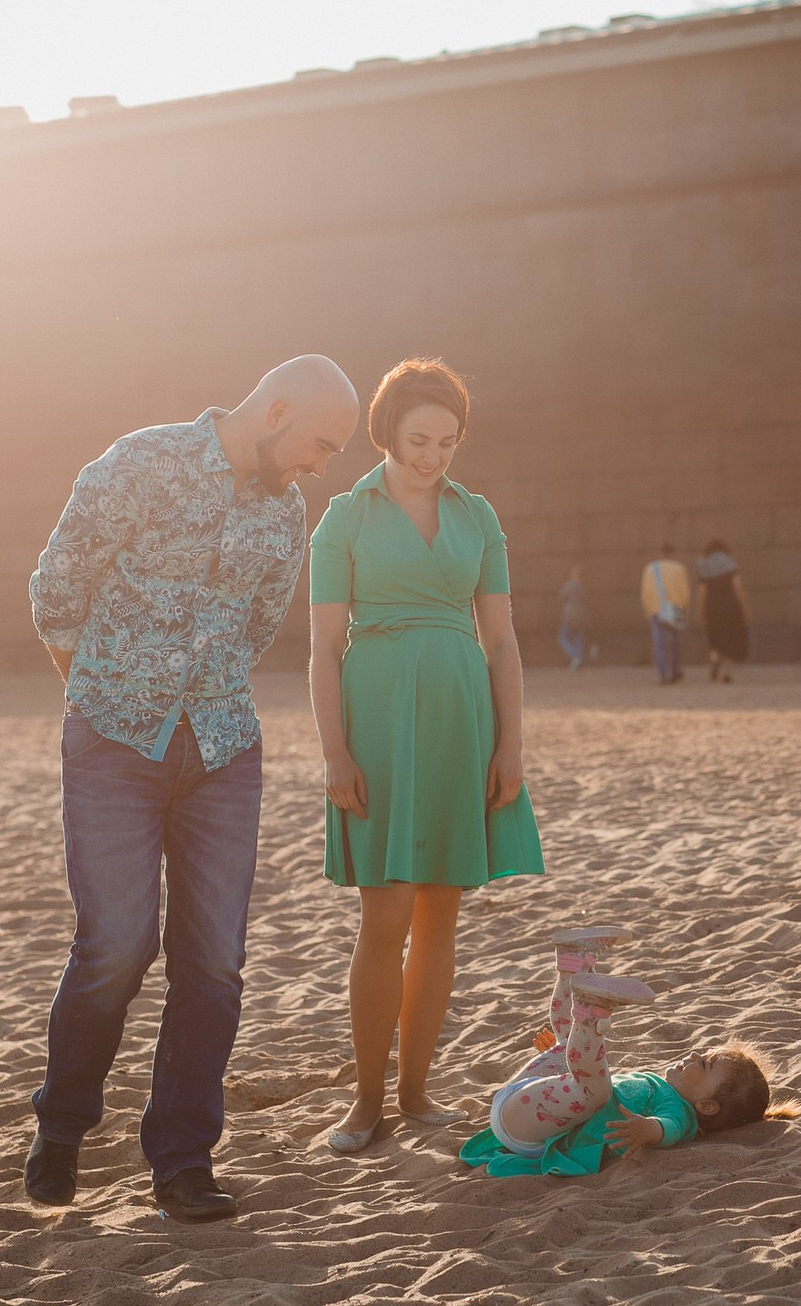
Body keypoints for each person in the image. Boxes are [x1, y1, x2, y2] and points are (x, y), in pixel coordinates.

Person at [23, 354, 360, 1221]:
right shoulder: (141, 463)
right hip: (112, 741)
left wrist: (191, 702)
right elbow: (56, 589)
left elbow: (257, 628)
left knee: (214, 962)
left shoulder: (286, 511)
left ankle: (181, 1160)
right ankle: (62, 1127)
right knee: (117, 944)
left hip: (221, 749)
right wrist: (105, 690)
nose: (323, 464)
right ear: (276, 408)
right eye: (321, 443)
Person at [310, 358, 544, 1156]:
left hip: (460, 721)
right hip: (376, 719)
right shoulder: (344, 516)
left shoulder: (479, 516)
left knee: (441, 911)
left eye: (447, 440)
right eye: (418, 439)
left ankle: (415, 1091)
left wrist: (512, 743)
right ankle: (366, 1101)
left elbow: (503, 641)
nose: (433, 455)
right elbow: (321, 651)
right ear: (386, 432)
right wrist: (335, 751)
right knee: (386, 913)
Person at [460, 928, 798, 1177]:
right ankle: (572, 962)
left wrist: (648, 1130)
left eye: (706, 1064)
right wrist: (558, 1065)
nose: (695, 1055)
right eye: (705, 1054)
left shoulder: (678, 1111)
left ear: (706, 1105)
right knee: (574, 1052)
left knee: (596, 1090)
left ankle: (593, 1012)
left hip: (527, 1131)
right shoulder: (660, 1085)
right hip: (533, 1102)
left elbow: (668, 1128)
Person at [694, 540, 751, 683]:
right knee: (730, 637)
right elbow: (738, 587)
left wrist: (700, 610)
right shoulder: (730, 564)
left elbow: (702, 591)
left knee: (714, 636)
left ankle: (714, 657)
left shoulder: (704, 565)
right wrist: (745, 606)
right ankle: (726, 673)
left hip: (711, 607)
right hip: (730, 606)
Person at [640, 545, 690, 685]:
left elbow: (645, 591)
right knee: (674, 642)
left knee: (659, 642)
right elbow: (685, 592)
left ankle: (662, 673)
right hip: (675, 609)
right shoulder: (679, 568)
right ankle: (674, 672)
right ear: (672, 553)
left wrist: (647, 609)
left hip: (656, 609)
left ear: (659, 553)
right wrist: (684, 606)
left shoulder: (650, 568)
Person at [557, 565, 592, 670]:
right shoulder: (584, 587)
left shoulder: (570, 585)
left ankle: (575, 655)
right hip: (582, 616)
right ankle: (579, 656)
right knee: (578, 636)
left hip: (570, 615)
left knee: (563, 637)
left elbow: (560, 597)